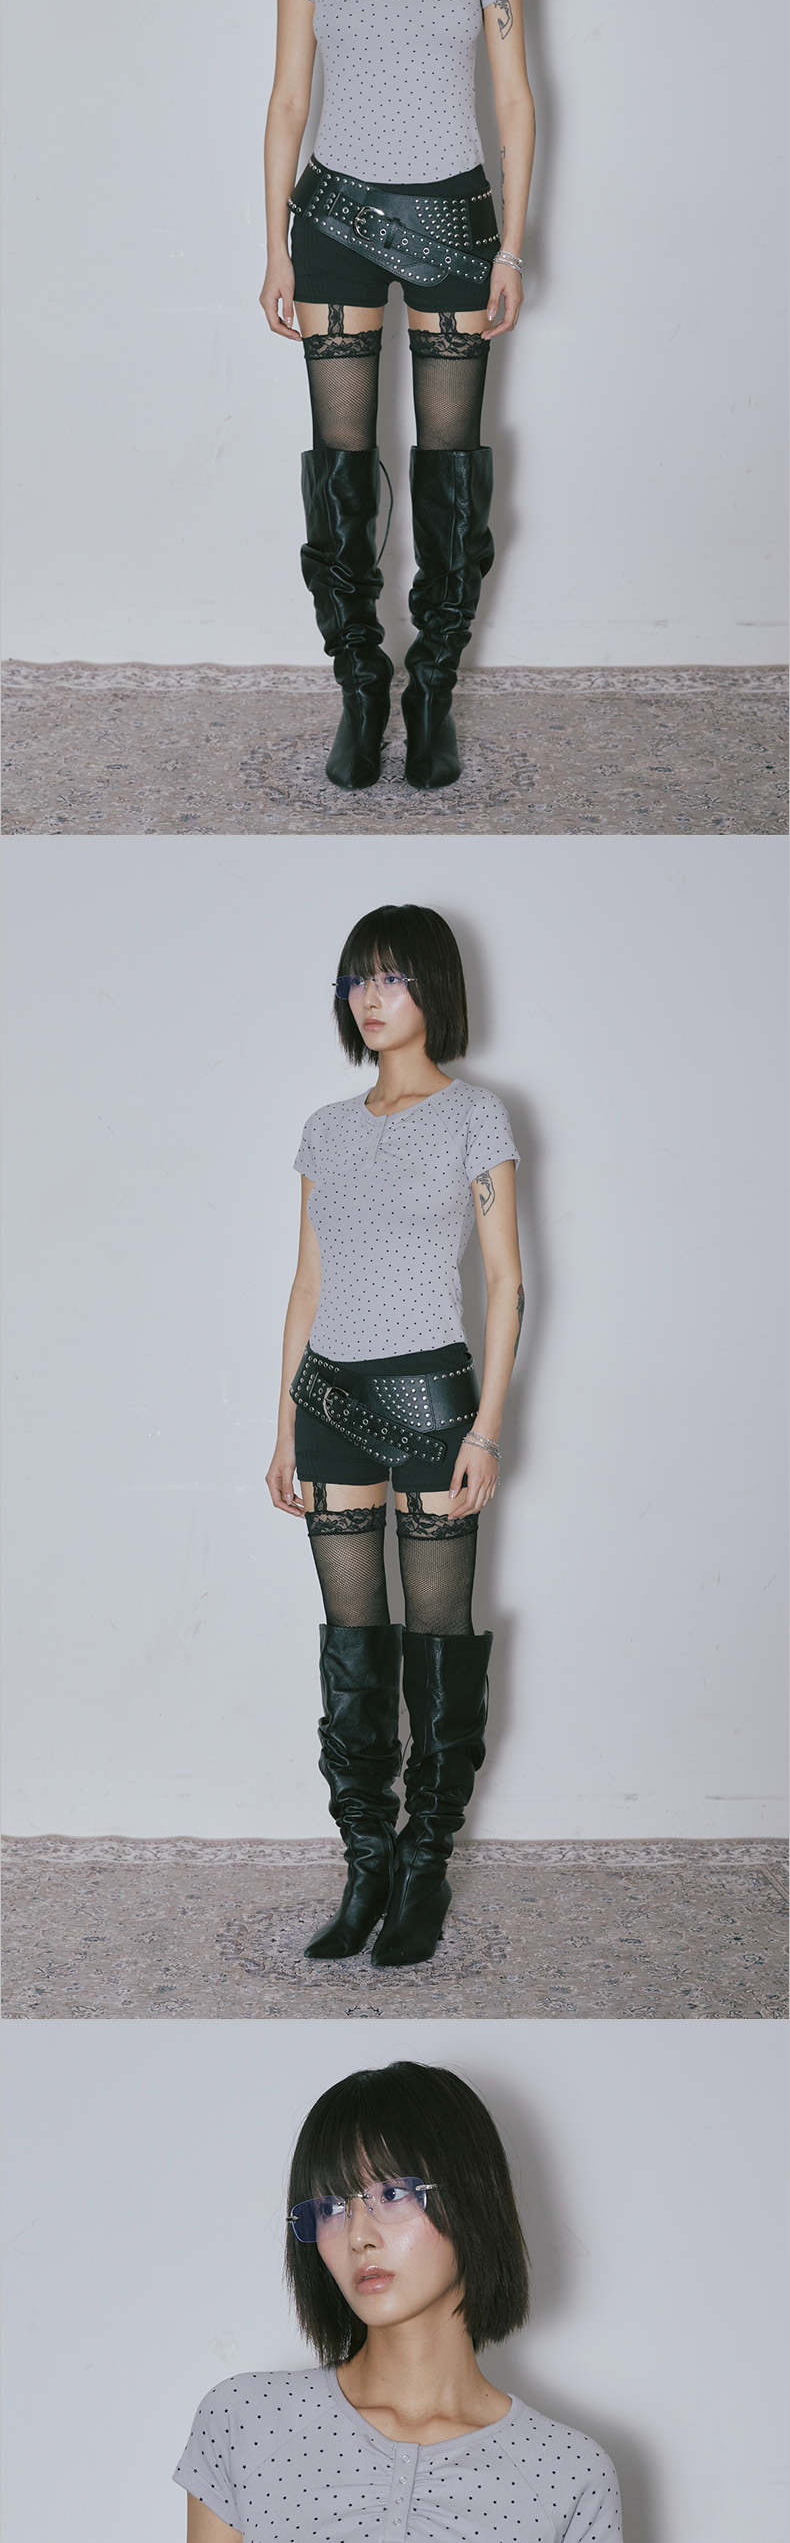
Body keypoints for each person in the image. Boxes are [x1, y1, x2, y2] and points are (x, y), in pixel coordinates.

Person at [261, 0, 536, 795]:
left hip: (455, 222)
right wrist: (275, 248)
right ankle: (359, 687)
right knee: (339, 462)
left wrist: (512, 251)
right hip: (332, 216)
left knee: (451, 465)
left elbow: (514, 102)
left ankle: (432, 694)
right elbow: (288, 100)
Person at [266, 909, 522, 1966]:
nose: (370, 998)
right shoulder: (325, 1128)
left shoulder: (474, 1114)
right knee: (351, 1642)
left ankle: (425, 1868)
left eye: (391, 979)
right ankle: (365, 1863)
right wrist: (284, 1425)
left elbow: (505, 1281)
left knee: (436, 1635)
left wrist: (486, 1432)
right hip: (328, 1401)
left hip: (430, 1402)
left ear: (432, 990)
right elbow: (307, 1284)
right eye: (355, 980)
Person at [175, 2054, 624, 2539]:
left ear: (472, 2196)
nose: (357, 2236)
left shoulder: (568, 2473)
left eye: (391, 2194)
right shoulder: (246, 2420)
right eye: (330, 2207)